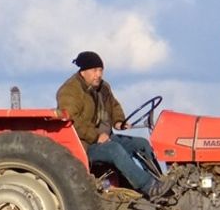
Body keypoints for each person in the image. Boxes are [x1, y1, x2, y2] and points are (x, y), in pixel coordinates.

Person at [56, 51, 169, 199]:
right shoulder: (69, 91)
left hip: (107, 137)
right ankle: (148, 187)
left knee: (141, 144)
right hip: (85, 144)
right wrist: (96, 136)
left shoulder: (103, 87)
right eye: (94, 71)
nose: (99, 74)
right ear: (83, 72)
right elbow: (73, 121)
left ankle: (159, 182)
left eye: (101, 70)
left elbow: (114, 105)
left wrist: (119, 121)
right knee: (114, 149)